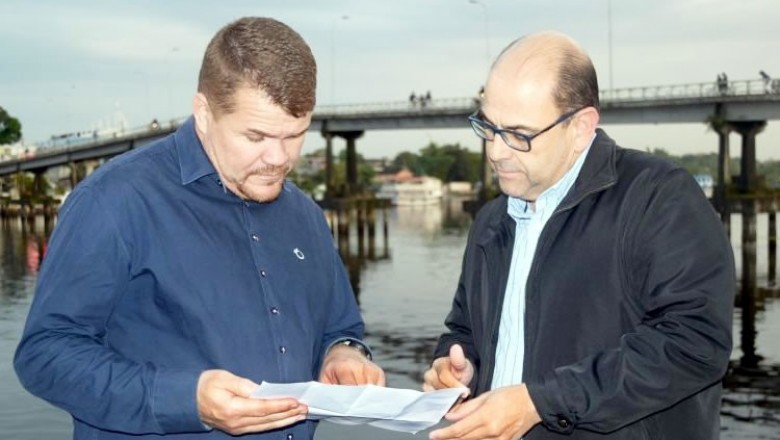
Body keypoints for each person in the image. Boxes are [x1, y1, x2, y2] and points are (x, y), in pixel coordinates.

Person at [14, 16, 385, 440]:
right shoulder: (114, 202)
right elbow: (45, 355)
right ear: (204, 113)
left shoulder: (305, 215)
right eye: (256, 136)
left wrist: (343, 354)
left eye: (296, 135)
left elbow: (340, 327)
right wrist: (187, 401)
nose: (279, 158)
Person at [423, 31, 734, 440]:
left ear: (581, 127)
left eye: (518, 134)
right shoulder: (492, 220)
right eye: (487, 127)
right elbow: (464, 327)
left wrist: (540, 402)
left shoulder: (658, 198)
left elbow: (693, 343)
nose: (496, 152)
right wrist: (457, 365)